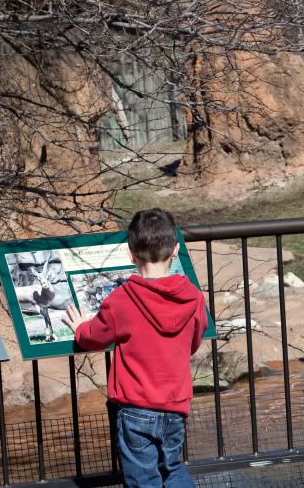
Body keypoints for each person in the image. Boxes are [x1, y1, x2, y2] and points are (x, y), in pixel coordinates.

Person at [63, 208, 207, 487]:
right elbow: (193, 341)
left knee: (143, 479)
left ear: (131, 254)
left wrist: (81, 327)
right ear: (175, 250)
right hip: (175, 405)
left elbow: (94, 336)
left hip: (135, 409)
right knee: (173, 468)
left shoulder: (122, 299)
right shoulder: (194, 298)